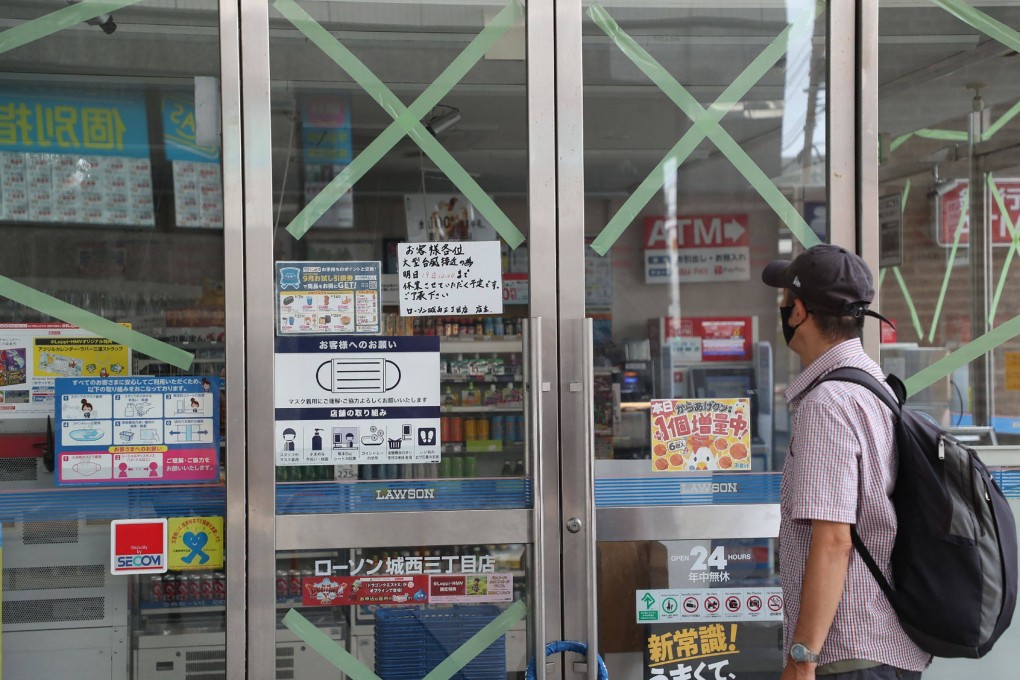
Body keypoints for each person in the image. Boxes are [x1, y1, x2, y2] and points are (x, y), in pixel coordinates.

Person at [762, 245, 930, 680]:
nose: (782, 310)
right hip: (884, 645)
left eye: (785, 301)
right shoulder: (875, 385)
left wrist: (802, 657)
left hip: (848, 651)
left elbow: (834, 539)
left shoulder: (829, 402)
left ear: (799, 311)